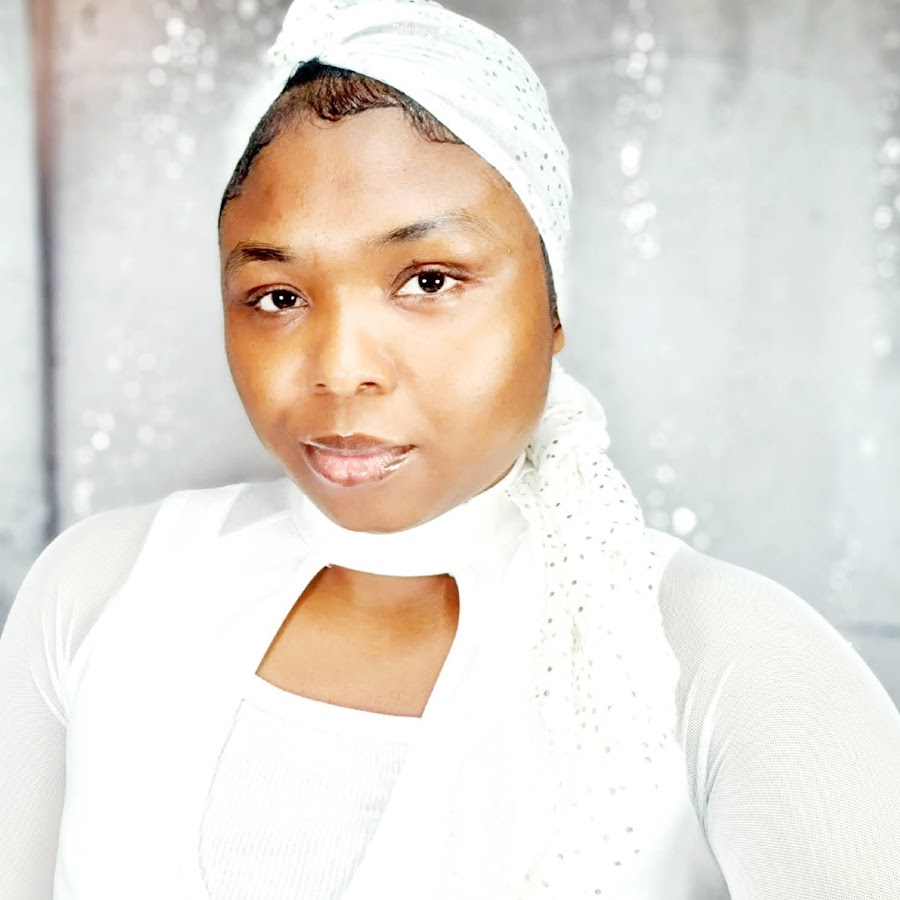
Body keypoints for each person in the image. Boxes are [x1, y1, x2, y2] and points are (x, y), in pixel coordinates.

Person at [2, 1, 900, 897]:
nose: (340, 370)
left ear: (553, 306)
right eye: (278, 296)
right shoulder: (100, 591)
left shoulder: (720, 657)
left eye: (429, 281)